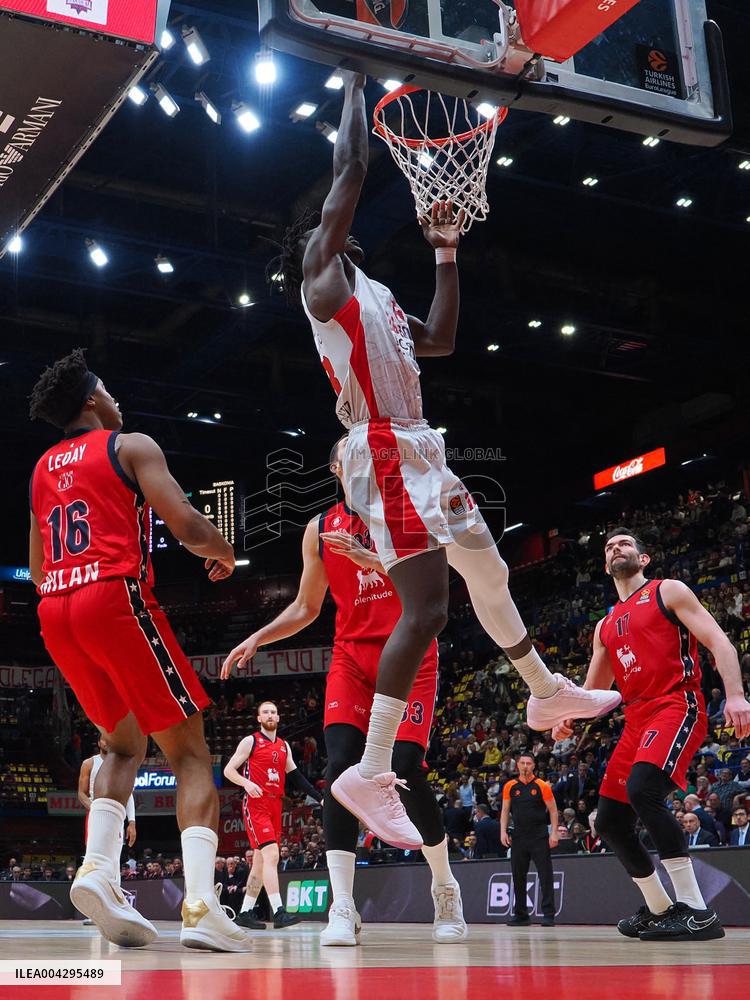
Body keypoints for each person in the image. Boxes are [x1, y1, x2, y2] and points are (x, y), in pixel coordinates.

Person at [269, 69, 621, 849]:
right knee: (426, 609)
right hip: (384, 449)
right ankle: (369, 769)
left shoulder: (378, 293)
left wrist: (447, 254)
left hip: (422, 443)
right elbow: (352, 170)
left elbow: (443, 340)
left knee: (487, 570)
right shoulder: (321, 285)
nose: (329, 231)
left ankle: (542, 693)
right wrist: (354, 74)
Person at [27, 349, 249, 952]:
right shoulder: (129, 445)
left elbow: (38, 565)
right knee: (193, 752)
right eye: (110, 390)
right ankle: (202, 907)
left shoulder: (42, 468)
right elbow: (184, 523)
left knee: (121, 744)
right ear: (94, 400)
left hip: (55, 610)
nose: (117, 400)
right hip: (110, 596)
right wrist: (224, 551)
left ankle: (98, 869)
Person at [222, 450, 467, 945]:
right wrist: (259, 637)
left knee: (406, 765)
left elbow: (440, 585)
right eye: (350, 459)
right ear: (336, 469)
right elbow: (306, 606)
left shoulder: (407, 510)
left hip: (410, 650)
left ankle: (445, 887)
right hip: (352, 660)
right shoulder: (319, 529)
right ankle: (343, 907)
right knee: (339, 771)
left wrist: (374, 560)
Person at [554, 528, 750, 941]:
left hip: (677, 704)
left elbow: (720, 642)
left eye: (625, 544)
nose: (616, 549)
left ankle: (697, 912)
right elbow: (594, 694)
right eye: (609, 547)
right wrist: (567, 715)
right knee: (608, 821)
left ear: (643, 559)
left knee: (643, 788)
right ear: (605, 566)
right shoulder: (604, 625)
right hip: (636, 718)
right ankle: (661, 908)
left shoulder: (668, 591)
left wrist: (735, 695)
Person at [223, 700, 322, 930]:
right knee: (272, 855)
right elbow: (229, 770)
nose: (270, 715)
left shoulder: (284, 746)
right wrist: (246, 783)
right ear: (259, 718)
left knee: (260, 862)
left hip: (276, 805)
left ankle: (245, 912)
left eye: (273, 712)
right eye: (265, 712)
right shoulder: (251, 741)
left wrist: (320, 797)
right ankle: (279, 911)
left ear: (278, 718)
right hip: (256, 804)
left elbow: (297, 777)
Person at [500, 753, 559, 927]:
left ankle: (548, 914)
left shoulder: (541, 785)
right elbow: (505, 811)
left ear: (534, 766)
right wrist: (502, 831)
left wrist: (554, 833)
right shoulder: (510, 786)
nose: (525, 766)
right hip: (518, 836)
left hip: (539, 836)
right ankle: (521, 915)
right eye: (522, 763)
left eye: (529, 763)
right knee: (518, 876)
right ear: (517, 765)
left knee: (545, 875)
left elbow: (554, 811)